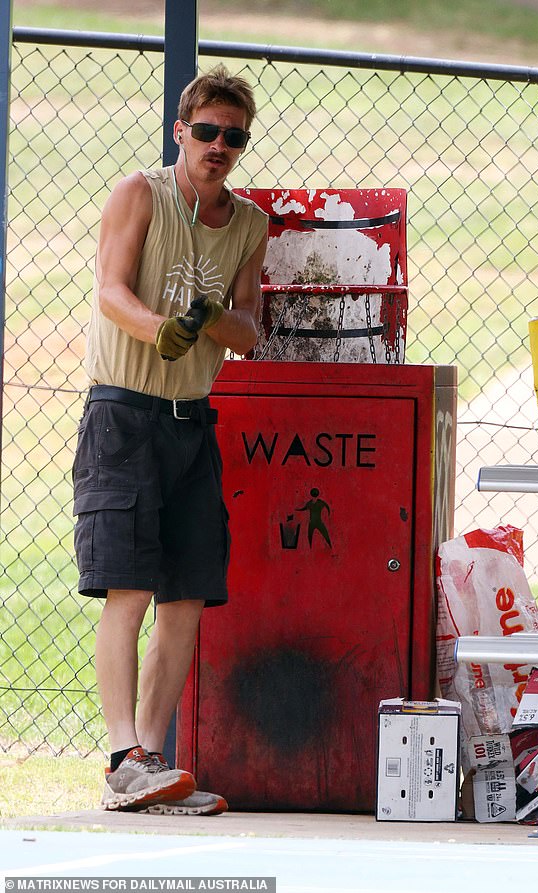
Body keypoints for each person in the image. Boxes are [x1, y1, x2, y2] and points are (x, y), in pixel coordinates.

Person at [72, 64, 268, 816]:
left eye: (235, 136)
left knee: (185, 597)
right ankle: (124, 756)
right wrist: (163, 330)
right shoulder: (140, 194)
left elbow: (249, 331)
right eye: (209, 131)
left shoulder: (248, 224)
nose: (220, 146)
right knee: (126, 590)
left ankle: (155, 762)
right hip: (124, 412)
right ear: (182, 131)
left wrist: (209, 317)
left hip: (192, 422)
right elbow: (110, 290)